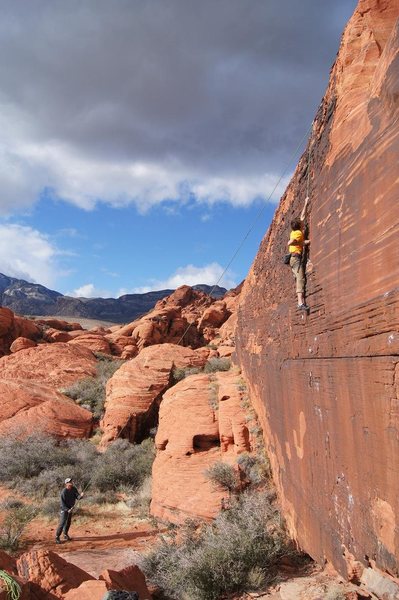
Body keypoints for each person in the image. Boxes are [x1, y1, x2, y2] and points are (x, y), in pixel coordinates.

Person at [288, 196, 310, 310]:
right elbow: (291, 242)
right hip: (296, 259)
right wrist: (296, 242)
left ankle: (300, 301)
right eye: (301, 223)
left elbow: (302, 216)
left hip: (294, 259)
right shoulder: (297, 233)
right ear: (299, 226)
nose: (303, 223)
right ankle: (300, 303)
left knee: (298, 277)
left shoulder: (296, 231)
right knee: (300, 279)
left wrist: (306, 203)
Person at [55, 478, 84, 544]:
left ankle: (65, 534)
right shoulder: (64, 492)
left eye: (71, 481)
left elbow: (77, 497)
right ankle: (57, 537)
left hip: (71, 508)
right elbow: (62, 504)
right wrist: (67, 510)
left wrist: (81, 496)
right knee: (62, 523)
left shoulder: (74, 489)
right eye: (69, 481)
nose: (71, 482)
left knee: (68, 522)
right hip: (64, 509)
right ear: (66, 484)